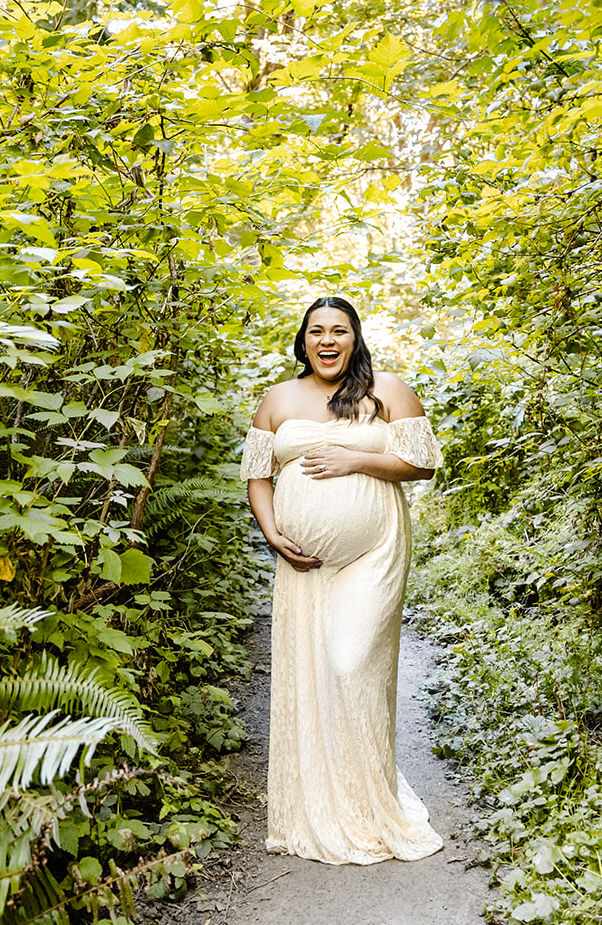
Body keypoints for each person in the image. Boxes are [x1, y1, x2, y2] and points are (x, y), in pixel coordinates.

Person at [241, 296, 446, 865]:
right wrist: (271, 532)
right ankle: (321, 802)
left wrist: (353, 461)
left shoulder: (388, 389)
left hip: (374, 551)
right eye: (316, 332)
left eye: (339, 330)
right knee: (312, 672)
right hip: (301, 561)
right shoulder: (277, 400)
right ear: (302, 341)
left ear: (355, 338)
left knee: (350, 664)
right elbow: (259, 476)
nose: (327, 341)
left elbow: (423, 462)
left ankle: (368, 801)